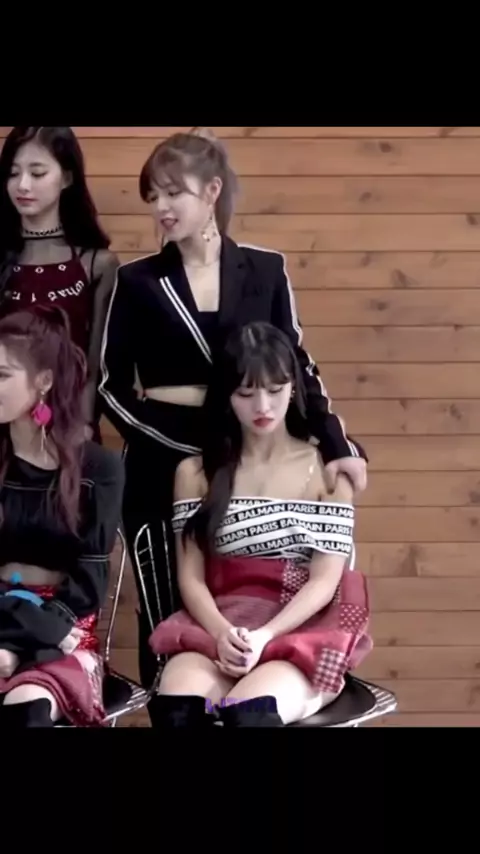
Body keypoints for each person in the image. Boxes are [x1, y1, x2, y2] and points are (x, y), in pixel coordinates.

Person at [98, 126, 368, 714]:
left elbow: (296, 365)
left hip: (251, 456)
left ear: (212, 191)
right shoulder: (136, 280)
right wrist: (183, 444)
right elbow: (108, 388)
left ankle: (270, 692)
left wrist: (336, 443)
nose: (162, 207)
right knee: (166, 613)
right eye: (153, 196)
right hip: (162, 462)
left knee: (261, 602)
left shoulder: (265, 270)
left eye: (175, 192)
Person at [148, 321, 372, 727]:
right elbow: (191, 578)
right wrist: (222, 633)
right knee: (180, 713)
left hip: (300, 632)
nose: (263, 407)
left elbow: (324, 582)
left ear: (294, 388)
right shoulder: (196, 473)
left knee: (249, 717)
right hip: (218, 626)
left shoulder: (329, 472)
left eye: (275, 390)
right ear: (226, 396)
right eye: (246, 394)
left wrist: (266, 635)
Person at [0, 305, 124, 727]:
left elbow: (90, 580)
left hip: (66, 621)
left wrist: (39, 631)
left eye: (2, 375)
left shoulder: (99, 468)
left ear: (43, 382)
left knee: (28, 708)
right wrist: (22, 624)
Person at [0, 126, 120, 440]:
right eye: (13, 173)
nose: (23, 185)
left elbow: (97, 366)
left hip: (69, 431)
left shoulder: (97, 264)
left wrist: (82, 425)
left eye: (37, 173)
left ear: (67, 178)